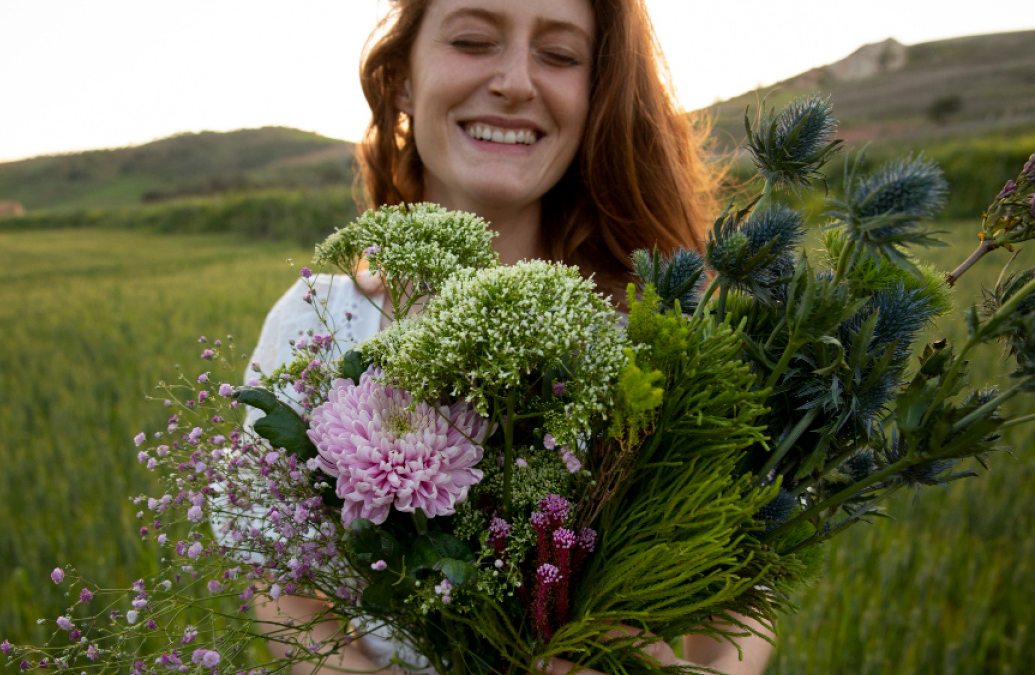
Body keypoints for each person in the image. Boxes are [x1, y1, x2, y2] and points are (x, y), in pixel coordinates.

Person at [242, 0, 774, 672]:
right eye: (472, 40)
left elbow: (745, 583)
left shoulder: (669, 328)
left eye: (559, 55)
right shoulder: (314, 322)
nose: (517, 81)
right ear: (402, 79)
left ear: (596, 93)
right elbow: (273, 574)